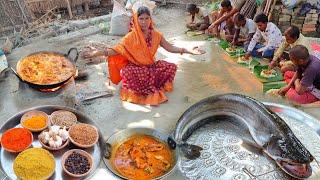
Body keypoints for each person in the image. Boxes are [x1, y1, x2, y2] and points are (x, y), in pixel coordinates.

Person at [82, 6, 204, 105]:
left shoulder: (157, 35)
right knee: (125, 72)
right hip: (136, 68)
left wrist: (189, 50)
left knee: (171, 66)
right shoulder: (131, 36)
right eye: (141, 19)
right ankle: (144, 87)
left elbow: (170, 47)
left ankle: (148, 84)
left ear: (150, 19)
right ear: (136, 19)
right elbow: (116, 50)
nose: (144, 22)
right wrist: (96, 53)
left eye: (147, 18)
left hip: (151, 67)